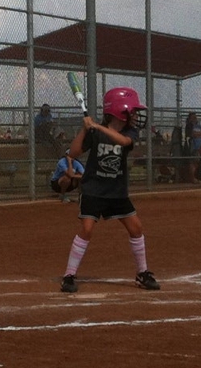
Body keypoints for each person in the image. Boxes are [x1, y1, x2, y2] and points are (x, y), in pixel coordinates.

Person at [60, 87, 160, 293]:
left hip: (116, 190)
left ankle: (142, 273)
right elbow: (74, 153)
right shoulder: (94, 132)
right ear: (118, 110)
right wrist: (85, 129)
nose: (134, 116)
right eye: (131, 111)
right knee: (86, 229)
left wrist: (97, 126)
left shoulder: (129, 132)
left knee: (136, 228)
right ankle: (69, 275)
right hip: (93, 189)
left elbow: (123, 142)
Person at [184, 112, 201, 183]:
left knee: (197, 163)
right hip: (193, 146)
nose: (195, 119)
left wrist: (198, 134)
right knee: (192, 162)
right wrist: (199, 134)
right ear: (190, 118)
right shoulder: (189, 125)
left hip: (199, 147)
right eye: (193, 117)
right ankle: (192, 178)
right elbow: (192, 134)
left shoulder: (198, 125)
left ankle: (197, 177)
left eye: (195, 117)